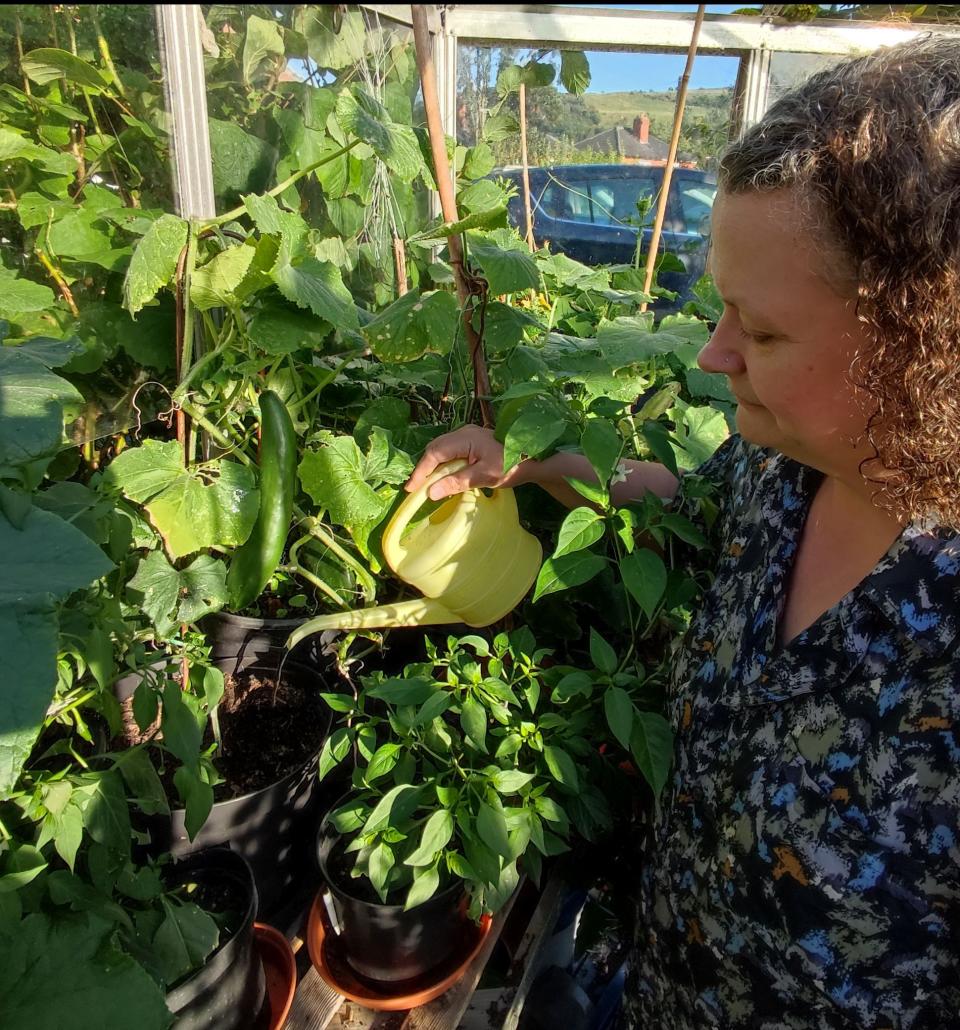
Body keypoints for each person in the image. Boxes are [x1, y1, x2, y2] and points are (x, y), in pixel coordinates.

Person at [404, 35, 960, 1030]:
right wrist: (529, 464)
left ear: (926, 344)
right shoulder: (789, 467)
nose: (713, 354)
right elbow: (682, 503)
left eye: (766, 330)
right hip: (665, 977)